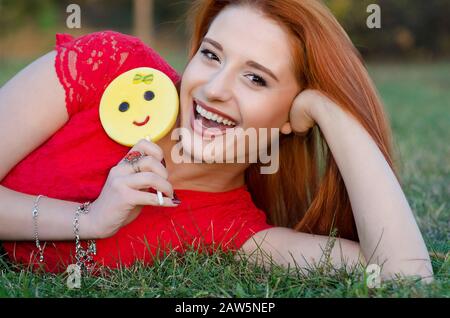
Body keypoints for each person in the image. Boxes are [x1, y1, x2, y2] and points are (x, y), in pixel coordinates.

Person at [0, 0, 432, 282]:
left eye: (255, 78)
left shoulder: (232, 229)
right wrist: (89, 219)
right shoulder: (109, 67)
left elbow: (405, 276)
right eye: (211, 55)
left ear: (290, 115)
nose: (213, 89)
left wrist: (328, 109)